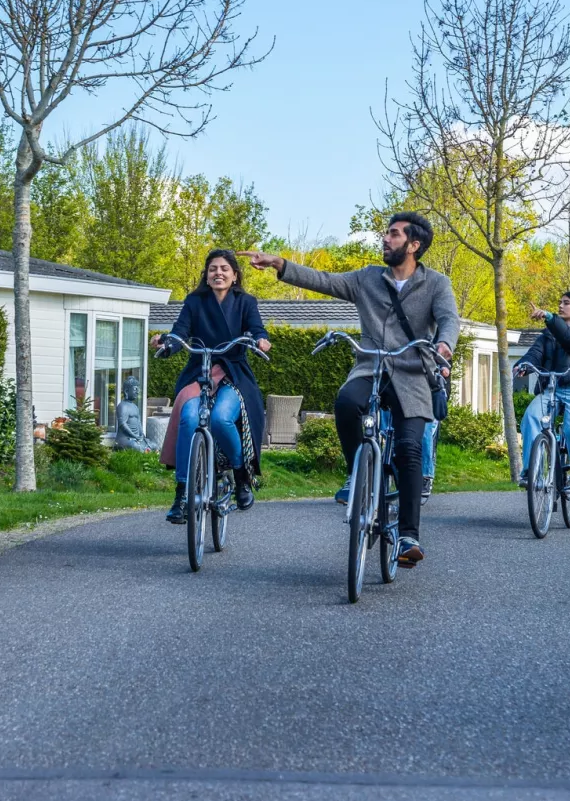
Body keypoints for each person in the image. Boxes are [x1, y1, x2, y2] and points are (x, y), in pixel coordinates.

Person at [244, 212, 457, 567]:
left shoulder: (437, 284)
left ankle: (408, 536)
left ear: (414, 245)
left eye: (393, 234)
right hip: (371, 366)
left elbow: (449, 318)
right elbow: (323, 280)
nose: (385, 239)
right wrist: (279, 264)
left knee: (408, 448)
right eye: (386, 234)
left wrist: (445, 344)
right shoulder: (367, 278)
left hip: (414, 372)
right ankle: (358, 473)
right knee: (345, 402)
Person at [156, 250, 271, 522]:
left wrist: (260, 340)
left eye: (224, 269)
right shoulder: (194, 302)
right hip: (199, 371)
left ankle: (241, 474)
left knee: (221, 419)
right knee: (188, 415)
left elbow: (257, 329)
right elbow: (179, 332)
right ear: (206, 277)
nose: (218, 273)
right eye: (212, 269)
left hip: (234, 373)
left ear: (234, 276)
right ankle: (182, 493)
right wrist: (167, 343)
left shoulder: (246, 302)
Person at [514, 292, 570, 505]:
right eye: (559, 303)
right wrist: (524, 364)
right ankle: (530, 471)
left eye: (566, 303)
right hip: (550, 389)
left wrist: (550, 318)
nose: (561, 306)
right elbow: (535, 353)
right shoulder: (547, 334)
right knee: (531, 417)